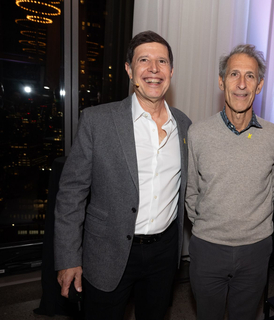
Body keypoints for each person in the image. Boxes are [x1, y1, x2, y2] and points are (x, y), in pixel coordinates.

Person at [54, 30, 191, 320]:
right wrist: (68, 258)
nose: (154, 69)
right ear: (129, 70)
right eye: (144, 60)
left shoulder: (185, 126)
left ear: (171, 71)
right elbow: (71, 194)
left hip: (164, 254)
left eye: (162, 61)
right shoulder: (97, 121)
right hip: (107, 250)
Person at [185, 44, 274, 320]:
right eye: (234, 75)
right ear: (221, 81)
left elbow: (271, 191)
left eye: (250, 76)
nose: (242, 84)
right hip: (208, 248)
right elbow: (191, 192)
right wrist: (211, 226)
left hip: (255, 250)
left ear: (260, 85)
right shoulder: (198, 133)